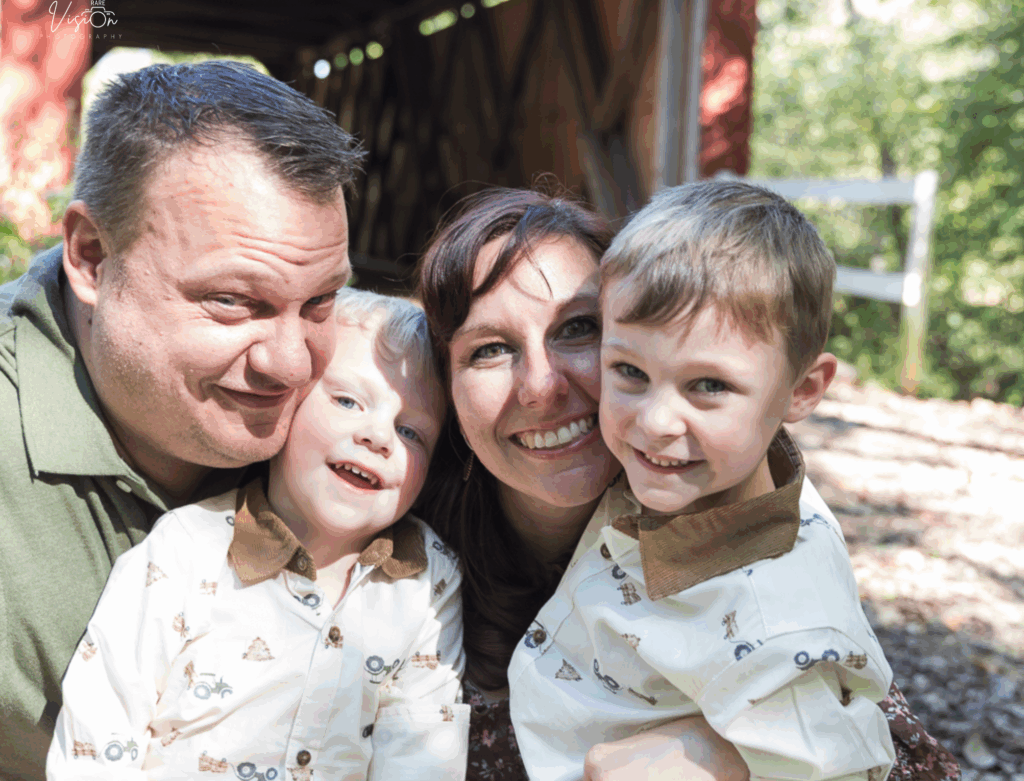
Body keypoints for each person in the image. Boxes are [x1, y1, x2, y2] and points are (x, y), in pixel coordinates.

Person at [414, 187, 961, 781]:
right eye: (491, 349)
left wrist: (734, 758)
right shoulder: (395, 542)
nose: (541, 388)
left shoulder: (763, 549)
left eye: (577, 328)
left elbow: (877, 748)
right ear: (443, 381)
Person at [0, 60, 363, 780]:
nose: (292, 365)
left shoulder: (367, 391)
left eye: (320, 300)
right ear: (93, 257)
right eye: (235, 300)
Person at [47, 289, 469, 780]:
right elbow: (99, 730)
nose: (377, 436)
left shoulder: (427, 580)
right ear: (286, 406)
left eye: (410, 432)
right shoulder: (186, 551)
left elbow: (421, 753)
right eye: (348, 400)